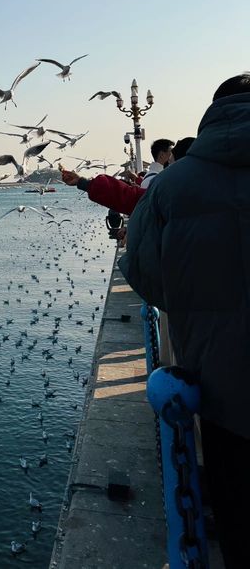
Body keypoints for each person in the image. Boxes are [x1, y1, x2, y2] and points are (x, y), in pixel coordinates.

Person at [118, 75, 250, 568]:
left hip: (221, 385)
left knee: (238, 518)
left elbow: (141, 270)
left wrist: (190, 306)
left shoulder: (173, 184)